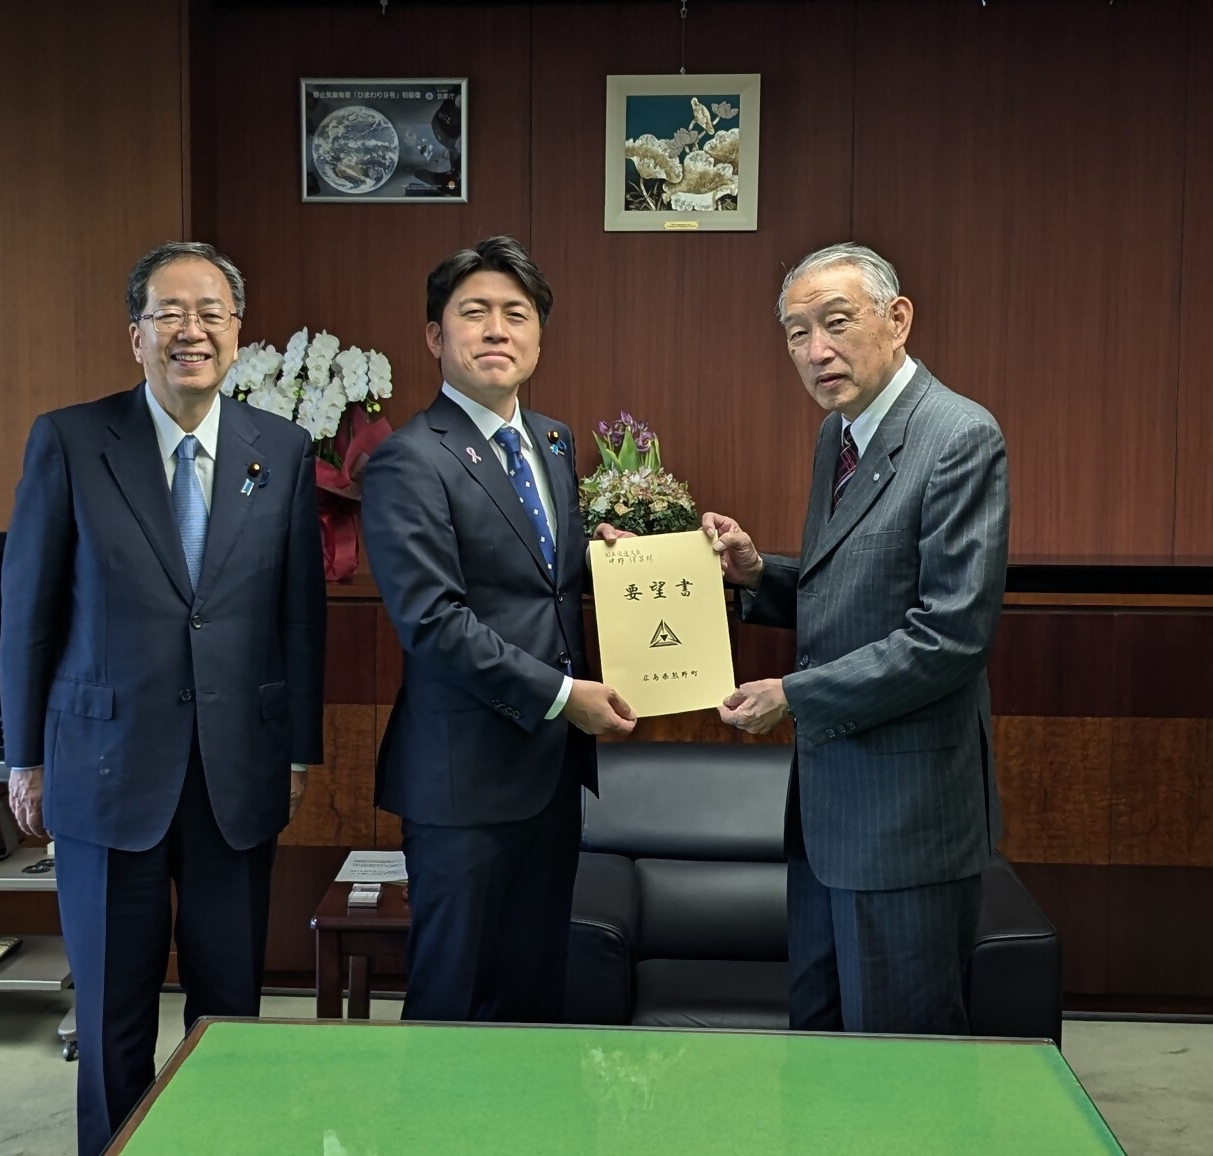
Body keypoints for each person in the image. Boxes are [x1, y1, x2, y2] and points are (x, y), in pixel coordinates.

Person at [0, 240, 326, 1155]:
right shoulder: (70, 439)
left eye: (211, 312)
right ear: (134, 334)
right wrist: (24, 756)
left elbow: (299, 617)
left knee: (231, 1011)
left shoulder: (282, 449)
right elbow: (26, 612)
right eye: (170, 313)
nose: (192, 330)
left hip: (237, 772)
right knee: (112, 1014)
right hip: (102, 773)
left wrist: (299, 748)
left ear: (237, 333)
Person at [704, 242, 1009, 1036]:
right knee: (821, 1044)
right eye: (796, 333)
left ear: (897, 318)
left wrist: (792, 696)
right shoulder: (838, 436)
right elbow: (851, 587)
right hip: (827, 815)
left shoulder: (957, 436)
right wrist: (754, 574)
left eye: (834, 323)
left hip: (907, 819)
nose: (815, 351)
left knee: (901, 1061)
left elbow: (948, 636)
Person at [362, 235, 636, 1024]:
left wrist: (603, 556)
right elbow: (433, 620)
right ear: (434, 337)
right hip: (463, 783)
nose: (495, 330)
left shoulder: (550, 441)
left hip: (548, 775)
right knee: (453, 1000)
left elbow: (538, 574)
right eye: (472, 313)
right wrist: (562, 696)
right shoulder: (408, 460)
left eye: (514, 314)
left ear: (538, 337)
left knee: (531, 995)